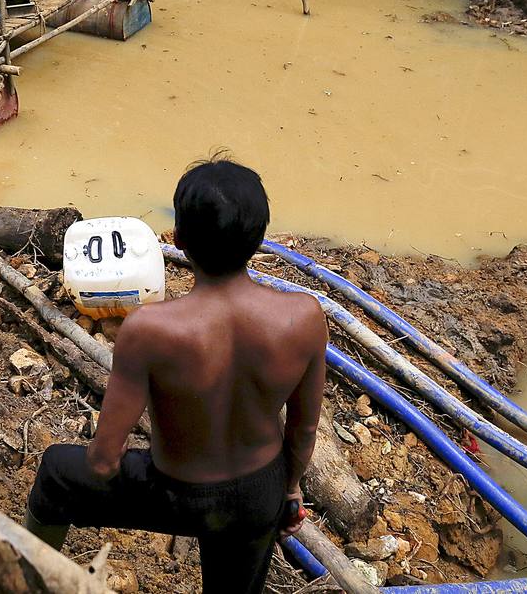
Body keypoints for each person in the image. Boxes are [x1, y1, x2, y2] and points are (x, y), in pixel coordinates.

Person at [25, 158, 328, 593]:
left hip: (175, 493)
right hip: (257, 493)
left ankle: (23, 580)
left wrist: (107, 475)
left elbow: (104, 459)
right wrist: (289, 491)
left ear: (179, 238)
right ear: (260, 239)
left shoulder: (150, 329)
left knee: (57, 470)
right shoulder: (304, 317)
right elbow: (304, 428)